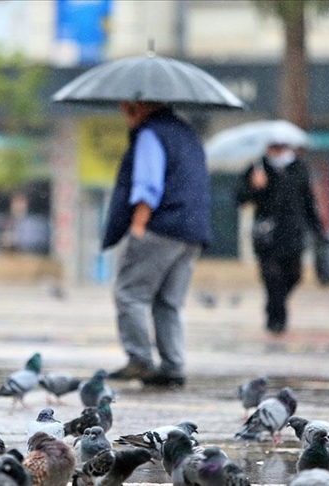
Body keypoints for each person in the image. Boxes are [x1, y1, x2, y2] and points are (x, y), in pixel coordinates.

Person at [104, 101, 212, 388]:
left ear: (141, 104)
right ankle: (173, 367)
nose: (122, 107)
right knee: (169, 302)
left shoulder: (151, 134)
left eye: (127, 103)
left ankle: (140, 359)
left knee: (130, 293)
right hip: (191, 231)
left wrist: (139, 224)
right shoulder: (185, 132)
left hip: (160, 227)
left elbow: (148, 184)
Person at [236, 138, 327, 335]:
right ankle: (276, 320)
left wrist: (318, 229)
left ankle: (275, 305)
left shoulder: (300, 168)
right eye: (273, 147)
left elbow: (308, 203)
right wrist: (254, 186)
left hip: (293, 233)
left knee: (294, 275)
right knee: (272, 276)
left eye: (281, 147)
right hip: (266, 235)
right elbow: (240, 198)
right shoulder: (257, 167)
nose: (277, 151)